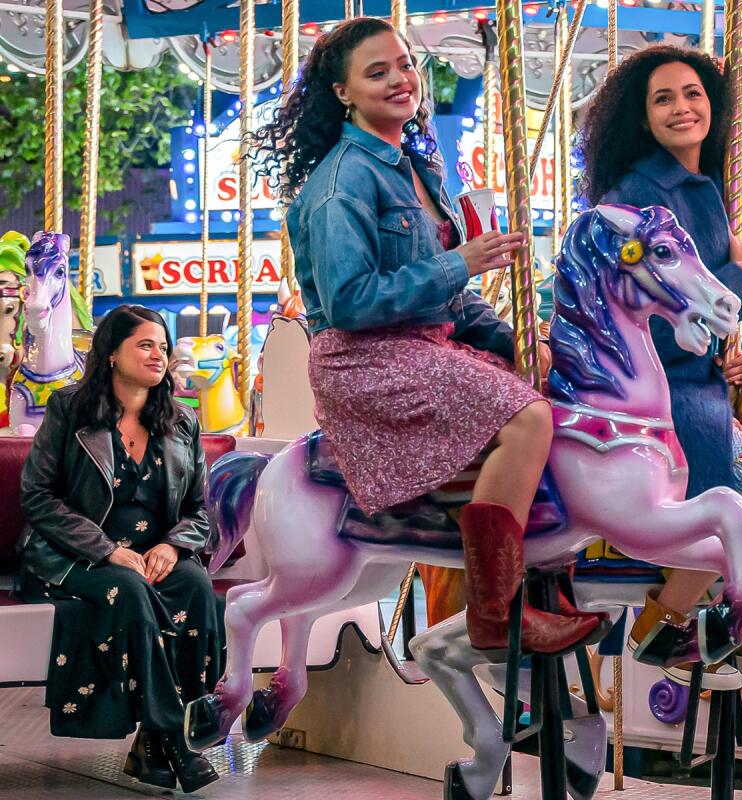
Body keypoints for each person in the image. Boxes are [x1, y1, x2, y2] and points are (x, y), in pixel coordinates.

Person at [249, 17, 604, 656]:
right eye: (377, 71)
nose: (400, 80)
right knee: (526, 419)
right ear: (344, 92)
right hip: (366, 357)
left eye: (405, 65)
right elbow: (351, 301)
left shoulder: (416, 166)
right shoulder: (342, 182)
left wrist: (512, 338)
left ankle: (548, 572)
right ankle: (495, 613)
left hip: (422, 345)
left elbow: (450, 297)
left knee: (558, 390)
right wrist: (460, 261)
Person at [580, 45, 742, 690]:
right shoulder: (643, 197)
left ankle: (703, 618)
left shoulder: (699, 187)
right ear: (642, 118)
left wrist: (732, 352)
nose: (683, 107)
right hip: (660, 384)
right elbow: (679, 301)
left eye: (693, 94)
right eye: (664, 98)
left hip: (695, 372)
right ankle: (667, 620)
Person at [17, 305, 220, 793]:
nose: (159, 355)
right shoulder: (71, 410)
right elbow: (38, 496)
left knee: (195, 584)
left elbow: (199, 510)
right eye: (145, 345)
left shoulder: (182, 421)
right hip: (71, 556)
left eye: (164, 347)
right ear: (111, 352)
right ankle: (173, 738)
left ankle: (154, 742)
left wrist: (174, 547)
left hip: (153, 557)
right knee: (126, 589)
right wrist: (106, 550)